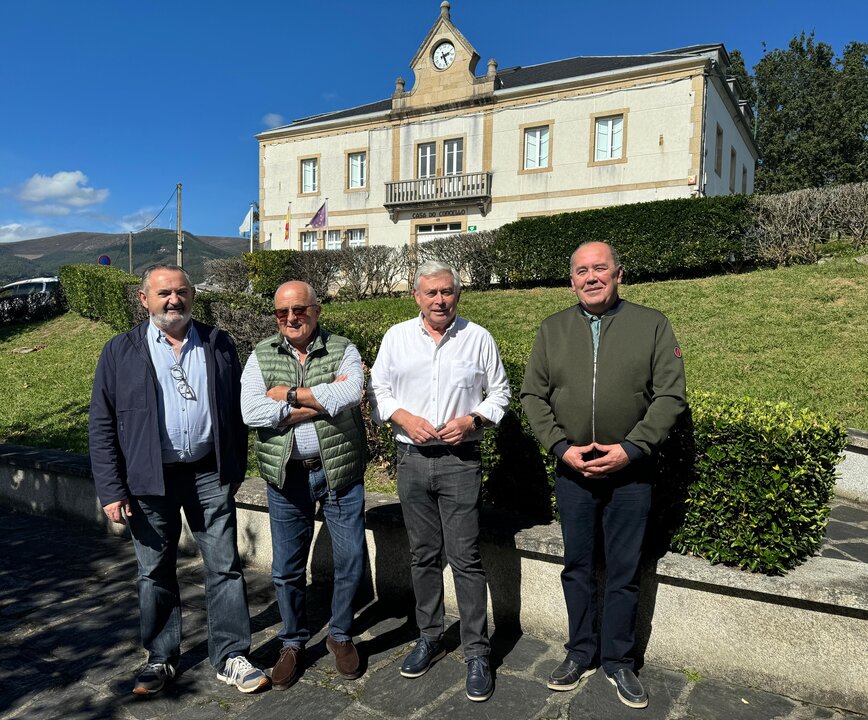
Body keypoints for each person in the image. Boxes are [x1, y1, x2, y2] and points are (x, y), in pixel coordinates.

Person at [520, 242, 686, 709]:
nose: (591, 277)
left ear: (618, 274)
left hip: (630, 472)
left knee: (624, 570)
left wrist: (632, 449)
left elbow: (670, 396)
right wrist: (561, 448)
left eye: (600, 268)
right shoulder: (553, 329)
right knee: (576, 566)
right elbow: (533, 396)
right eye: (581, 271)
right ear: (571, 280)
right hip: (572, 470)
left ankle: (618, 661)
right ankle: (580, 652)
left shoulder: (651, 324)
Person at [89, 263, 267, 696]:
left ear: (191, 295)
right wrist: (112, 489)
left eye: (182, 292)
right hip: (149, 480)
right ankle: (161, 657)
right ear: (144, 299)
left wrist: (233, 469)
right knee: (154, 572)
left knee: (224, 566)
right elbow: (102, 423)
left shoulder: (218, 342)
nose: (174, 300)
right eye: (164, 292)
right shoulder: (119, 351)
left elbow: (236, 410)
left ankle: (230, 655)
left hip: (208, 474)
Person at [368, 260, 510, 703]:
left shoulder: (478, 337)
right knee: (423, 554)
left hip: (460, 460)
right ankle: (429, 636)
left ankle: (476, 652)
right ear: (417, 297)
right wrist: (403, 416)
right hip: (411, 459)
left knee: (465, 557)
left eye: (447, 292)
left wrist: (473, 419)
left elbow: (500, 391)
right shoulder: (396, 337)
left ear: (458, 294)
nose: (439, 300)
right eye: (430, 293)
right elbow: (378, 388)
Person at [240, 281, 367, 690]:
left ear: (316, 310)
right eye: (282, 313)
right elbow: (251, 410)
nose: (291, 319)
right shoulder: (261, 354)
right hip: (287, 476)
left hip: (338, 472)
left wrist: (289, 395)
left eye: (300, 310)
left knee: (350, 561)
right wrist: (317, 404)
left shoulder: (343, 347)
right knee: (286, 569)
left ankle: (340, 634)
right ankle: (292, 641)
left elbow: (351, 392)